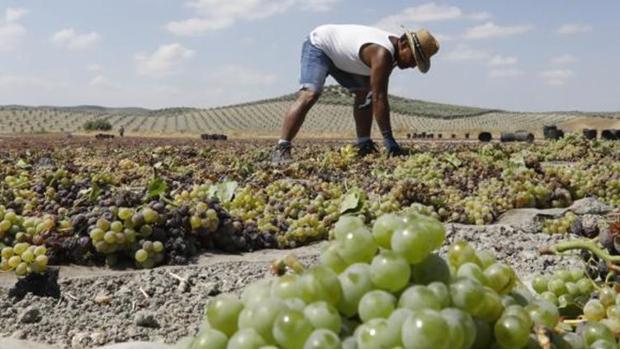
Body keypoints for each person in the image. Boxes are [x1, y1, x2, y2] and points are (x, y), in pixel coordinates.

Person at [271, 24, 440, 164]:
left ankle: (364, 144)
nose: (413, 65)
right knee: (310, 94)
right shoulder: (382, 54)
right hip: (320, 46)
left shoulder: (394, 54)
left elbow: (373, 94)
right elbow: (380, 97)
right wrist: (389, 139)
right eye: (414, 59)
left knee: (365, 94)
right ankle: (282, 148)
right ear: (403, 44)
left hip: (343, 59)